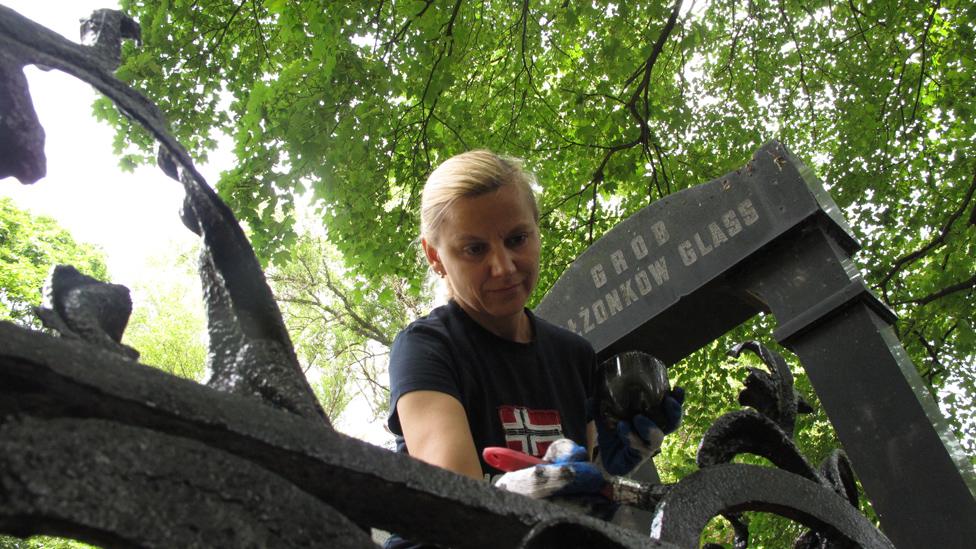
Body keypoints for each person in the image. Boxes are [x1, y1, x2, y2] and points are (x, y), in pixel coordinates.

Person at [384, 150, 682, 548]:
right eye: (474, 249)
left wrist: (611, 465)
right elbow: (455, 504)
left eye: (516, 239)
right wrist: (527, 494)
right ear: (435, 257)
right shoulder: (425, 349)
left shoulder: (574, 356)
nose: (504, 266)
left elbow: (587, 490)